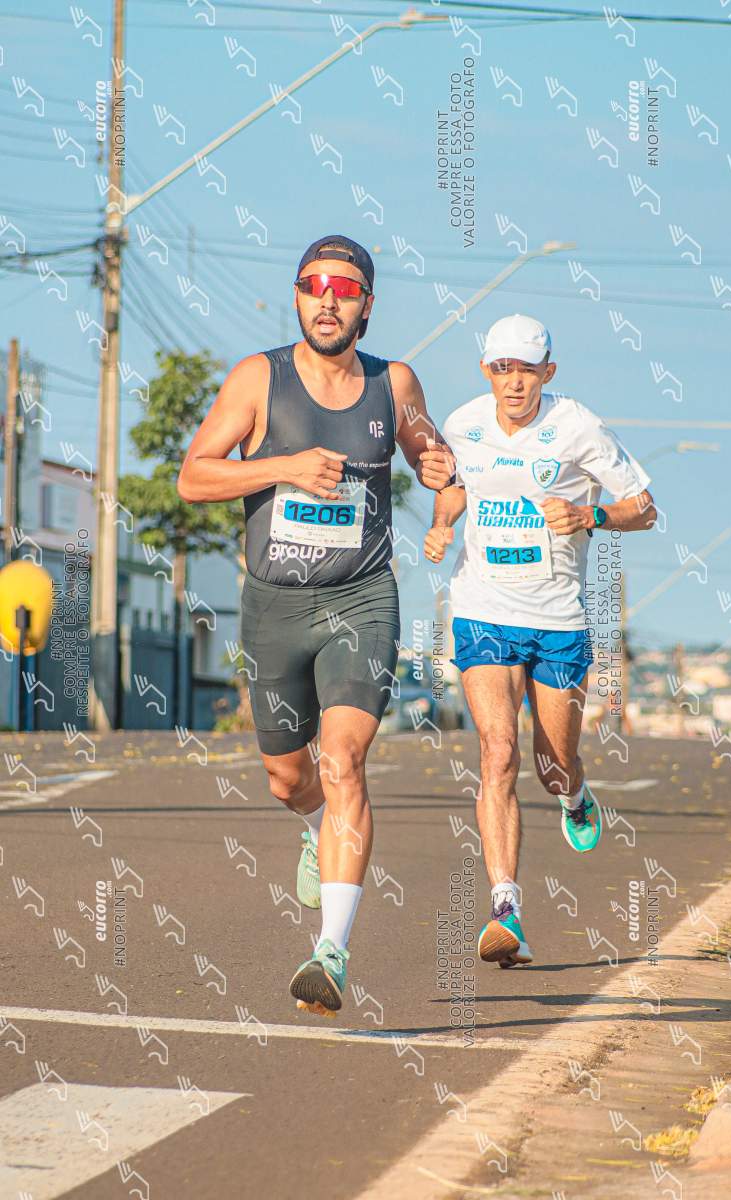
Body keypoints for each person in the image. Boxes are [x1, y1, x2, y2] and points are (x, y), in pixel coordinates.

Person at [178, 234, 454, 1013]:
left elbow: (431, 453)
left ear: (367, 305)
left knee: (343, 760)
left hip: (361, 598)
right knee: (288, 778)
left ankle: (330, 952)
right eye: (313, 285)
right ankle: (314, 826)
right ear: (297, 297)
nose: (328, 299)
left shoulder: (393, 382)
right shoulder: (257, 379)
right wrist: (284, 467)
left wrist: (439, 468)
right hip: (274, 605)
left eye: (345, 288)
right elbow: (194, 476)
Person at [424, 314, 656, 968]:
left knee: (552, 766)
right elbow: (455, 489)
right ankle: (506, 910)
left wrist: (591, 514)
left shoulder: (578, 426)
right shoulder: (464, 424)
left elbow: (645, 507)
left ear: (548, 372)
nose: (514, 382)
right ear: (486, 371)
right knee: (497, 752)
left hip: (557, 619)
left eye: (527, 370)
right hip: (483, 610)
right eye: (502, 369)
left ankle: (576, 796)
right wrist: (443, 524)